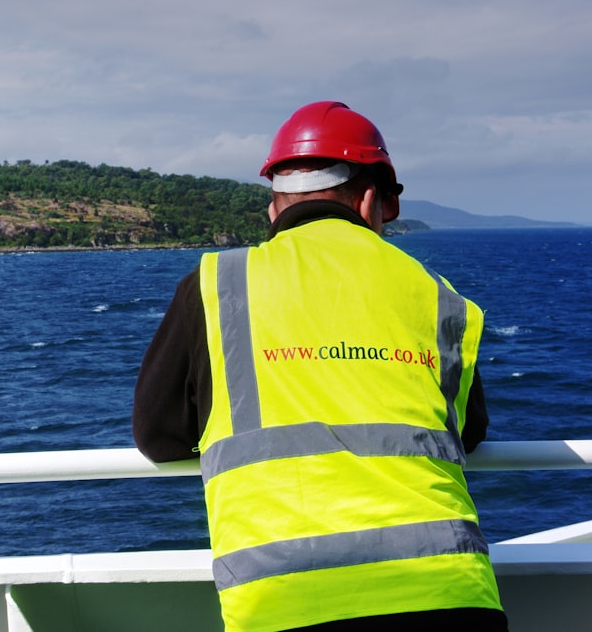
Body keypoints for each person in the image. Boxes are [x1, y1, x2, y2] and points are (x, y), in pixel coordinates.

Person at [132, 101, 508, 632]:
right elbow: (467, 432)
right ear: (373, 199)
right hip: (450, 594)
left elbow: (159, 437)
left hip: (286, 600)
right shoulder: (440, 298)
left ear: (274, 208)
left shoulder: (217, 284)